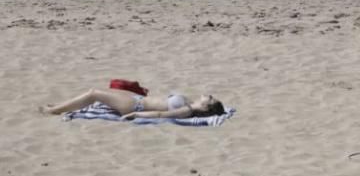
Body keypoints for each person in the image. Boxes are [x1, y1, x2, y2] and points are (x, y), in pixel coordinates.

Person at [40, 87, 225, 120]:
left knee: (93, 93)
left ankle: (53, 110)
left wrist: (135, 115)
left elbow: (160, 115)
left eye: (210, 98)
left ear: (206, 107)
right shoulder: (190, 104)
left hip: (135, 106)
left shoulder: (186, 110)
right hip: (137, 99)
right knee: (98, 92)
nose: (208, 95)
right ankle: (61, 105)